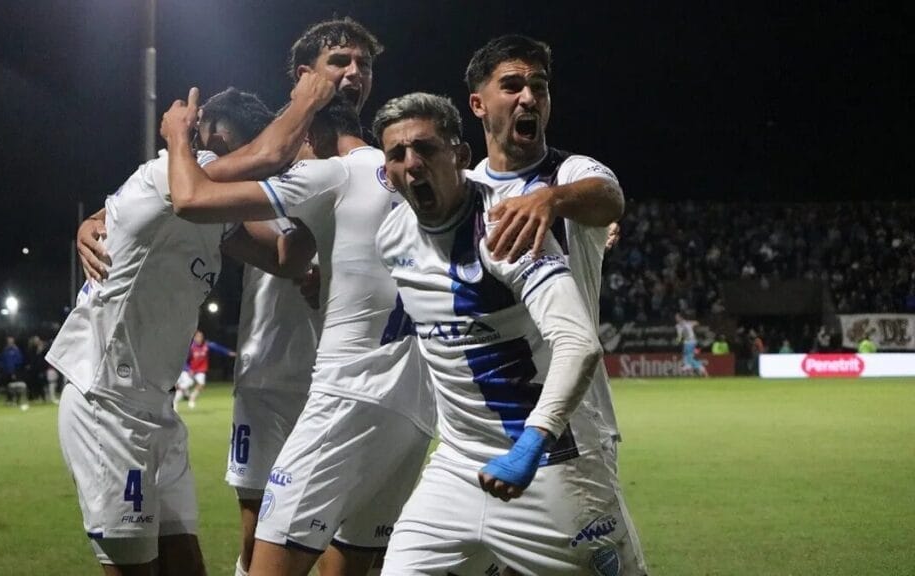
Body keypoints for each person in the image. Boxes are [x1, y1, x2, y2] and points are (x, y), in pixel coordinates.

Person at [48, 85, 322, 576]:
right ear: (206, 139)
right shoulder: (166, 177)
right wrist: (310, 97)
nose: (253, 179)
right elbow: (268, 154)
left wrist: (322, 209)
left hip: (157, 410)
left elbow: (285, 260)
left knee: (188, 566)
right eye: (237, 157)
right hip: (106, 402)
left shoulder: (211, 214)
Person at [161, 87, 435, 576]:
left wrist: (178, 139)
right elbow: (296, 257)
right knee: (352, 562)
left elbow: (190, 197)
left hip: (348, 393)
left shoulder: (332, 172)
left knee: (268, 556)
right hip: (415, 405)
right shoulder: (414, 175)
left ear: (313, 133)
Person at [372, 92, 646, 576]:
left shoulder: (504, 227)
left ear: (460, 156)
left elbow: (579, 344)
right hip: (458, 466)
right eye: (397, 154)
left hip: (550, 465)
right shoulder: (392, 237)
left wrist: (530, 445)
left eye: (426, 148)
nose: (412, 164)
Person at [464, 35, 626, 449]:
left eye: (539, 86)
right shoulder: (466, 192)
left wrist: (551, 200)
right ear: (478, 104)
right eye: (512, 86)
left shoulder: (568, 172)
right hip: (483, 423)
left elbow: (609, 197)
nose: (529, 98)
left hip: (573, 423)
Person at [172, 330, 236, 410]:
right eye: (198, 336)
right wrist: (188, 369)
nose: (200, 338)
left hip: (200, 370)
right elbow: (183, 360)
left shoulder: (206, 344)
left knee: (201, 384)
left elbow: (217, 348)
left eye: (201, 336)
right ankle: (175, 400)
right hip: (189, 370)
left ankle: (191, 397)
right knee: (186, 384)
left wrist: (228, 352)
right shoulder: (190, 347)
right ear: (194, 338)